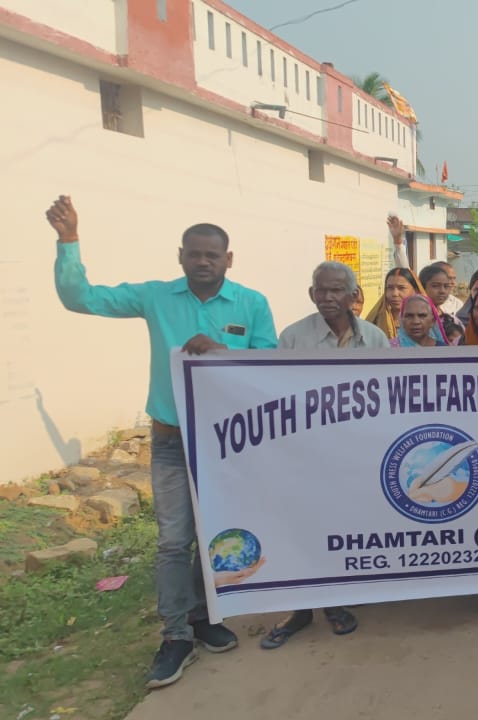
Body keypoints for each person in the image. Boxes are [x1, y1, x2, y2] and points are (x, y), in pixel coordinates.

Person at [47, 195, 276, 689]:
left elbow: (268, 366)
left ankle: (202, 617)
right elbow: (81, 298)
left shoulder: (252, 304)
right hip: (172, 439)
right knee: (174, 540)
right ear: (180, 257)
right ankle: (175, 636)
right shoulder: (155, 297)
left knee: (214, 532)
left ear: (228, 259)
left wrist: (221, 352)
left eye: (212, 255)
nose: (203, 261)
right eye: (194, 254)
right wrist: (69, 241)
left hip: (228, 443)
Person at [264, 262, 385, 649]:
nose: (328, 298)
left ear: (353, 296)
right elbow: (276, 395)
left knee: (343, 526)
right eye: (321, 290)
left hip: (356, 453)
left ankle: (334, 601)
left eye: (336, 291)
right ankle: (300, 609)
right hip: (307, 453)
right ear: (311, 293)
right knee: (302, 527)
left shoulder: (375, 339)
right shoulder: (293, 338)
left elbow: (388, 396)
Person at [386, 215, 465, 320]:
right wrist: (398, 242)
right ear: (421, 286)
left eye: (448, 282)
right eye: (436, 285)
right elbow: (405, 272)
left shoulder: (457, 304)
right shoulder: (415, 311)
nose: (443, 290)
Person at [365, 268, 423, 340]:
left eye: (401, 288)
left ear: (416, 291)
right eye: (390, 288)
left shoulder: (426, 321)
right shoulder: (376, 321)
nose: (394, 294)